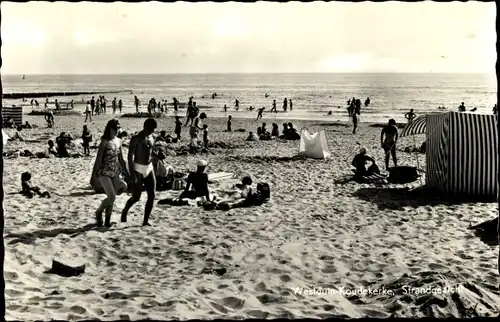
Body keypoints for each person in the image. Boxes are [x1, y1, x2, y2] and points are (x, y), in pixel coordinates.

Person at [121, 118, 158, 226]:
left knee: (152, 195)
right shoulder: (136, 138)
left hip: (149, 167)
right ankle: (125, 211)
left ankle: (145, 220)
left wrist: (158, 155)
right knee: (136, 197)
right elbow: (130, 156)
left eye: (153, 130)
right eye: (151, 129)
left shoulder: (152, 137)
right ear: (145, 127)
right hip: (138, 168)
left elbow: (151, 152)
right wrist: (132, 173)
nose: (152, 131)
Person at [92, 119, 129, 227]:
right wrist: (94, 175)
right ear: (110, 128)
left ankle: (107, 221)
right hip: (104, 171)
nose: (117, 130)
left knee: (114, 194)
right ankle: (99, 212)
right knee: (112, 196)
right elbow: (98, 159)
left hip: (115, 171)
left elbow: (121, 158)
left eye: (118, 127)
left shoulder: (118, 141)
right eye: (115, 128)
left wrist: (127, 172)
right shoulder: (105, 142)